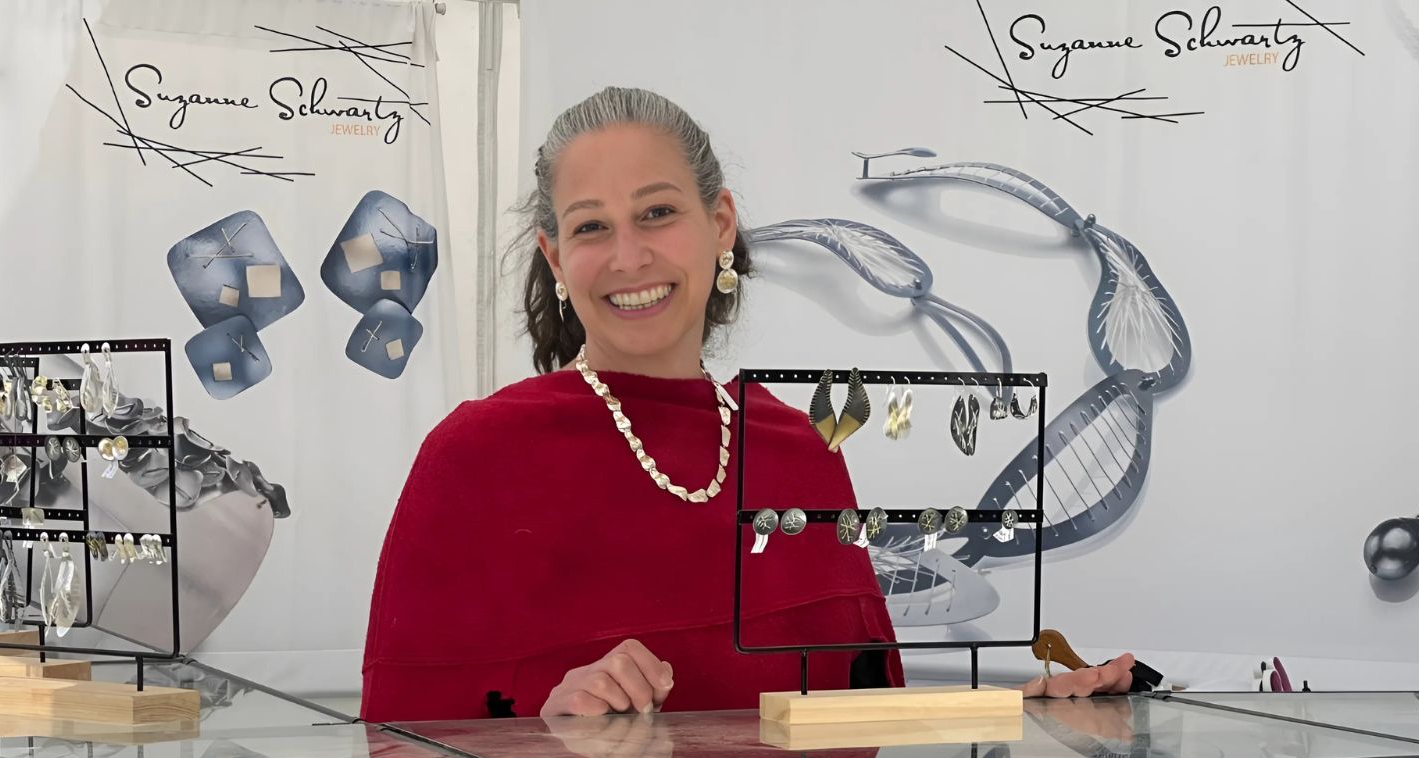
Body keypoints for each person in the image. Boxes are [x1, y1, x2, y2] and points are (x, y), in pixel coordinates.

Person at [358, 87, 1136, 723]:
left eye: (658, 213)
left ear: (719, 224)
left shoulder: (799, 447)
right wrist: (548, 722)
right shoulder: (475, 456)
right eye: (592, 226)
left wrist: (1027, 714)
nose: (629, 257)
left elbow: (861, 726)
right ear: (557, 255)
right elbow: (399, 746)